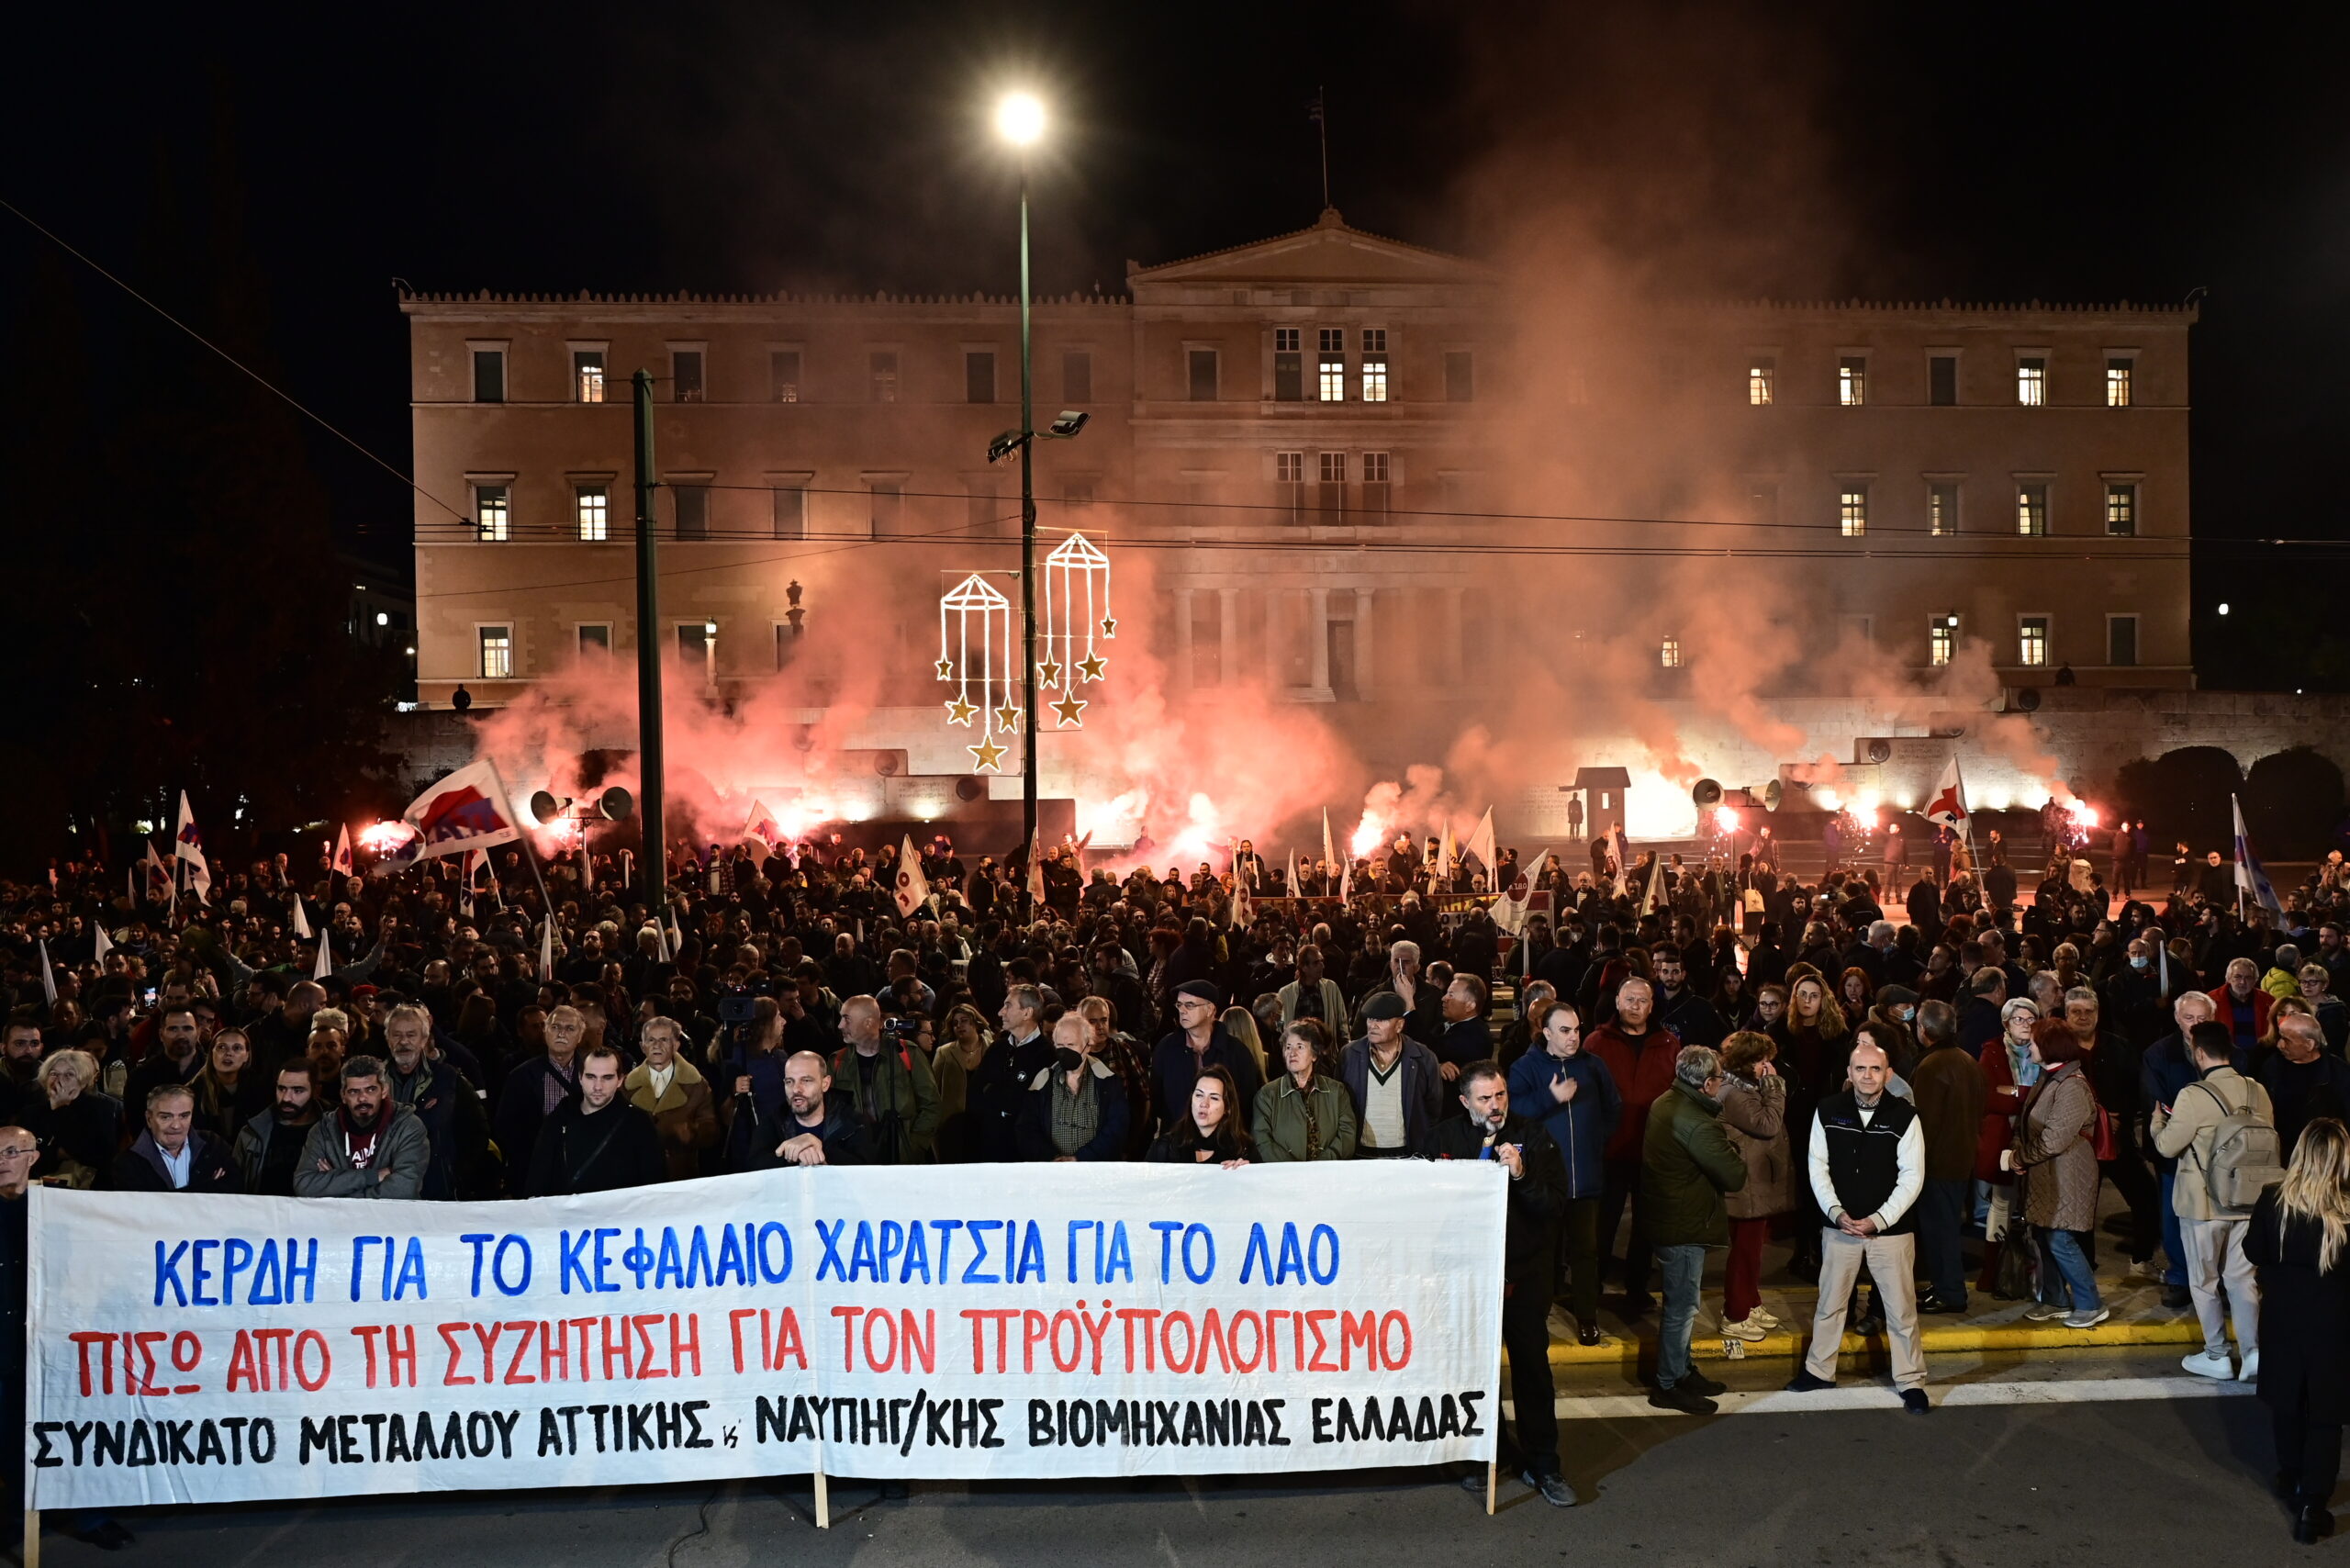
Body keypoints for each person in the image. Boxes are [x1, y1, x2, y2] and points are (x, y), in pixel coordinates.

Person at [1422, 1061, 1575, 1508]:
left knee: (1531, 1371)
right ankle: (1488, 1455)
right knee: (1473, 1373)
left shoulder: (1535, 1134)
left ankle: (1545, 1464)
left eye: (1501, 1096)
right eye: (1485, 1098)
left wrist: (1522, 1176)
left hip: (1523, 1277)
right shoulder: (1443, 1138)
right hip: (1467, 1278)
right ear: (1465, 1100)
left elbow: (1554, 1205)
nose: (1495, 1106)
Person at [1785, 1038, 1930, 1412]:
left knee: (1901, 1310)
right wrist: (1836, 1212)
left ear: (1889, 1074)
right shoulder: (1828, 1110)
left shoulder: (1905, 1116)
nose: (1867, 1075)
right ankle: (1819, 1371)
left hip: (1891, 1232)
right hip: (1840, 1227)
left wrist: (1880, 1219)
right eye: (1860, 1068)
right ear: (1848, 1073)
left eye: (1875, 1069)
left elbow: (1913, 1176)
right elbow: (1817, 1167)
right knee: (1830, 1304)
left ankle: (1910, 1381)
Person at [2246, 1116, 2350, 1544]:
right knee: (2326, 1416)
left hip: (2284, 1320)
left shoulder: (2274, 1200)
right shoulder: (2346, 1208)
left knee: (2288, 1403)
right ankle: (2313, 1505)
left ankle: (2289, 1474)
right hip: (2336, 1326)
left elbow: (2254, 1250)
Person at [2154, 1019, 2276, 1382]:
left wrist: (2158, 1124)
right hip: (2249, 1199)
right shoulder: (2258, 1092)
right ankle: (2253, 1354)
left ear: (2199, 1052)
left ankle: (2216, 1355)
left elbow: (2167, 1146)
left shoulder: (2193, 1094)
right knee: (2242, 1279)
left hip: (2203, 1204)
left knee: (2204, 1280)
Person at [1641, 1045, 1748, 1415]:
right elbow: (1734, 1175)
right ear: (1705, 1084)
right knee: (1682, 1307)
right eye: (1719, 1079)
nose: (1722, 1085)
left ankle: (1682, 1372)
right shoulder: (1697, 1122)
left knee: (1681, 1304)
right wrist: (1734, 1147)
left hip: (1670, 1216)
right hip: (1683, 1224)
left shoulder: (1665, 1102)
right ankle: (1668, 1383)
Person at [1507, 1001, 1619, 1343]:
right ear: (1546, 1033)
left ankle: (1587, 1315)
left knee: (1586, 1251)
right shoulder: (1526, 1067)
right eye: (1565, 1031)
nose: (1574, 1038)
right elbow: (1512, 1113)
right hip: (1543, 1183)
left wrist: (1595, 1143)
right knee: (1543, 1252)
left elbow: (1613, 1107)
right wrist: (1550, 1098)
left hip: (1585, 1180)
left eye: (1577, 1030)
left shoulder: (1593, 1066)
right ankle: (1537, 1313)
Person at [1588, 975, 1683, 1315]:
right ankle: (1592, 1285)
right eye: (1629, 999)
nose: (1635, 1006)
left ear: (1651, 1005)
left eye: (1642, 1001)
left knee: (1646, 1227)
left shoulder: (1669, 1043)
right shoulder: (1597, 1042)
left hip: (1652, 1153)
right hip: (1609, 1152)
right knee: (1603, 1225)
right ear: (1617, 1001)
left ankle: (1637, 1287)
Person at [2009, 1018, 2109, 1328]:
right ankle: (2055, 1299)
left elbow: (2054, 1139)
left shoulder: (2072, 1085)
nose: (2030, 1046)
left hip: (2067, 1176)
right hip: (2047, 1175)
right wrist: (2019, 1150)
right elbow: (2030, 1123)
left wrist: (2020, 1156)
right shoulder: (2050, 1077)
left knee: (2060, 1239)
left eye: (2035, 1041)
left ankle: (2091, 1304)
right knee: (2044, 1234)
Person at [1911, 1001, 1987, 1313]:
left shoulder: (1931, 1067)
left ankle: (1951, 1292)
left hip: (1937, 1163)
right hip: (1962, 1159)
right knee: (1946, 1228)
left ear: (1925, 1030)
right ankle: (1943, 1285)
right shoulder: (1969, 1062)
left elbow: (1922, 1122)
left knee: (1939, 1231)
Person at [1717, 1030, 1790, 1343]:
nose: (1767, 1067)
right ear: (1747, 1062)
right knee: (1746, 1251)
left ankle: (1751, 1301)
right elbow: (1766, 1124)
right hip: (1747, 1184)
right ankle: (1735, 1314)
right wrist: (1775, 1087)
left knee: (1754, 1249)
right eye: (1762, 1061)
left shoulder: (1745, 1087)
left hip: (1755, 1182)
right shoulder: (1733, 1093)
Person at [525, 1044, 666, 1194]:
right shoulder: (559, 1118)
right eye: (591, 1077)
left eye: (607, 1078)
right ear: (580, 1078)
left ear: (619, 1081)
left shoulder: (638, 1123)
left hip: (619, 1215)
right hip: (565, 1214)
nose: (598, 1086)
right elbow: (538, 1177)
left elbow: (655, 1185)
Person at [294, 1054, 431, 1199]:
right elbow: (305, 1185)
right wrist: (373, 1176)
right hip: (338, 1221)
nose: (362, 1098)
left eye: (371, 1090)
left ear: (384, 1091)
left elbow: (404, 1189)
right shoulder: (324, 1130)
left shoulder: (408, 1126)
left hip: (391, 1219)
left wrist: (336, 1185)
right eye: (354, 1092)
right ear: (343, 1095)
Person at [833, 995, 942, 1165]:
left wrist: (916, 1144)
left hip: (902, 1152)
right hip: (857, 1156)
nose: (840, 1025)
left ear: (868, 1022)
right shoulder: (838, 1061)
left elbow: (931, 1103)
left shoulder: (906, 1053)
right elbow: (831, 1112)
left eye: (846, 1019)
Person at [1339, 992, 1445, 1158]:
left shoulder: (1423, 1057)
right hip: (1360, 1154)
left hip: (1406, 1155)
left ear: (1399, 1025)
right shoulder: (1349, 1054)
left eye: (1380, 1020)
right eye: (1370, 1019)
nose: (1372, 1025)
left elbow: (1433, 1107)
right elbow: (1339, 1102)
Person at [1017, 1010, 1131, 1161]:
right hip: (1052, 1170)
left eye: (1071, 1044)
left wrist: (1080, 1158)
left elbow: (1117, 1129)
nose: (1064, 1051)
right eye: (1060, 1045)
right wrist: (1052, 1158)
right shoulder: (1042, 1083)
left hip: (1095, 1171)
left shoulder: (1108, 1082)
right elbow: (1026, 1129)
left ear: (1088, 1045)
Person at [624, 1014, 720, 1181]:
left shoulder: (696, 1085)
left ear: (676, 1045)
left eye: (664, 1040)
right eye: (651, 1040)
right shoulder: (626, 1087)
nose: (657, 1046)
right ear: (642, 1046)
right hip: (638, 1178)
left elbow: (711, 1128)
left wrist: (692, 1132)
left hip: (680, 1176)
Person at [1253, 1018, 1359, 1162]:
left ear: (1314, 1055)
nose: (1292, 1053)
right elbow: (1262, 1140)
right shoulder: (1267, 1094)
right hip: (1283, 1177)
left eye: (1300, 1047)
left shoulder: (1337, 1091)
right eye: (1288, 1047)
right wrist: (1293, 1170)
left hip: (1327, 1174)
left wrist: (1319, 1166)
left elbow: (1347, 1136)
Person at [970, 985, 1055, 1161]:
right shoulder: (997, 1049)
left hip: (1026, 1157)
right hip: (989, 1150)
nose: (1001, 1012)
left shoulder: (1048, 1055)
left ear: (1027, 1013)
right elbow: (975, 1093)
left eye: (1008, 1005)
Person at [110, 1082, 241, 1193]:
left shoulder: (214, 1145)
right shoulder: (127, 1163)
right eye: (166, 1117)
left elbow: (235, 1189)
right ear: (149, 1118)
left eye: (184, 1116)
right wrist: (208, 1187)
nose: (176, 1126)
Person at [754, 1050, 870, 1168]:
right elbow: (753, 1167)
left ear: (825, 1084)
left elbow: (866, 1171)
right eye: (789, 1082)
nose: (796, 1089)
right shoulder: (772, 1123)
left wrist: (819, 1150)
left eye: (806, 1081)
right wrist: (794, 1155)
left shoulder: (853, 1123)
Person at [2262, 1014, 2350, 1161]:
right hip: (2281, 1156)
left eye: (2287, 1040)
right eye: (2280, 1037)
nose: (2279, 1045)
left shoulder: (2339, 1073)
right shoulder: (2272, 1067)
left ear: (2309, 1044)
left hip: (2324, 1160)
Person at [234, 1059, 322, 1196]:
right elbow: (235, 1186)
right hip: (262, 1213)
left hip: (313, 1214)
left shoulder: (331, 1132)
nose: (286, 1098)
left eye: (298, 1091)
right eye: (281, 1089)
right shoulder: (251, 1133)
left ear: (316, 1091)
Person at [1146, 1065, 1255, 1165]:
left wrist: (1247, 1175)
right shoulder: (1164, 1147)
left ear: (1227, 1108)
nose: (1204, 1104)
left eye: (1214, 1098)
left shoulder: (1244, 1149)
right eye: (1199, 1095)